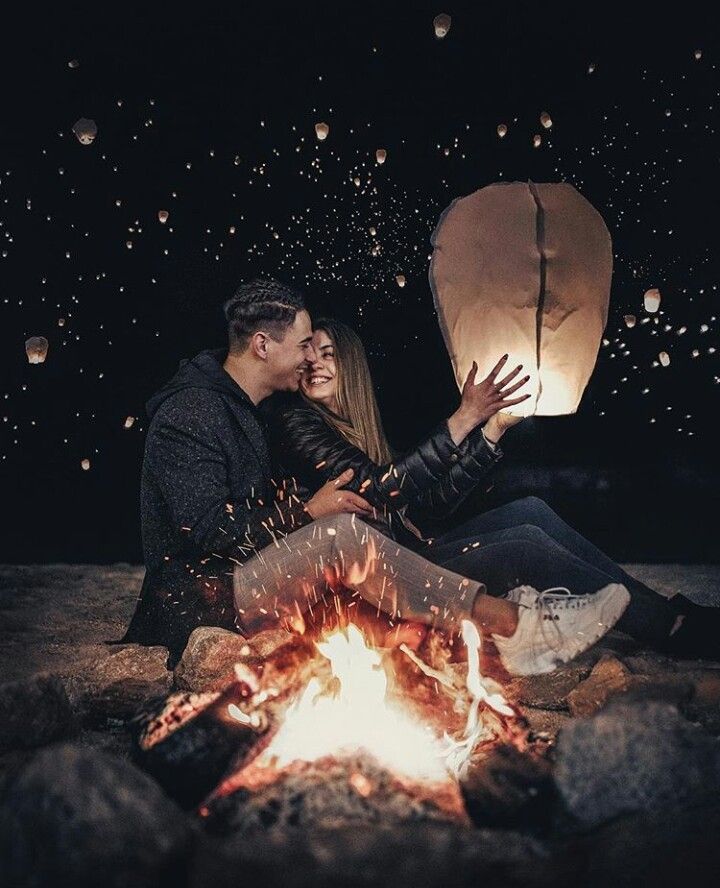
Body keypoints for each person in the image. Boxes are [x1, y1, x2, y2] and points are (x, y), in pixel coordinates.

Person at [120, 277, 627, 676]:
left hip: (244, 577)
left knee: (514, 523)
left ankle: (538, 621)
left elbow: (397, 503)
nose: (306, 359)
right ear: (261, 345)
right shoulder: (192, 414)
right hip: (200, 599)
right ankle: (517, 626)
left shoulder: (247, 411)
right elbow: (205, 531)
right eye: (301, 345)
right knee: (341, 535)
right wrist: (306, 511)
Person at [265, 317, 720, 663]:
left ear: (350, 364)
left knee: (531, 511)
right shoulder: (298, 423)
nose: (314, 364)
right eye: (308, 357)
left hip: (406, 548)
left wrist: (490, 434)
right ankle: (667, 628)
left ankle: (667, 610)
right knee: (524, 549)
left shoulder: (356, 430)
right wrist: (462, 418)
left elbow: (424, 508)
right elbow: (381, 492)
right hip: (381, 581)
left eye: (327, 354)